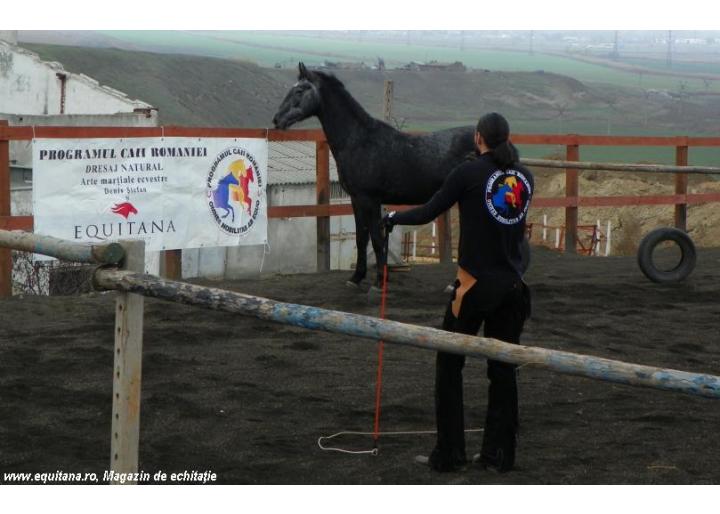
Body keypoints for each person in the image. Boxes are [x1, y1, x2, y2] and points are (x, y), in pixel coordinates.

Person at [382, 112, 533, 473]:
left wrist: (391, 219)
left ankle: (450, 453)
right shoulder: (525, 177)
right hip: (513, 288)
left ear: (478, 138)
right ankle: (500, 455)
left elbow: (427, 212)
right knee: (503, 370)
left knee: (449, 363)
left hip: (474, 287)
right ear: (507, 137)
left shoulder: (467, 174)